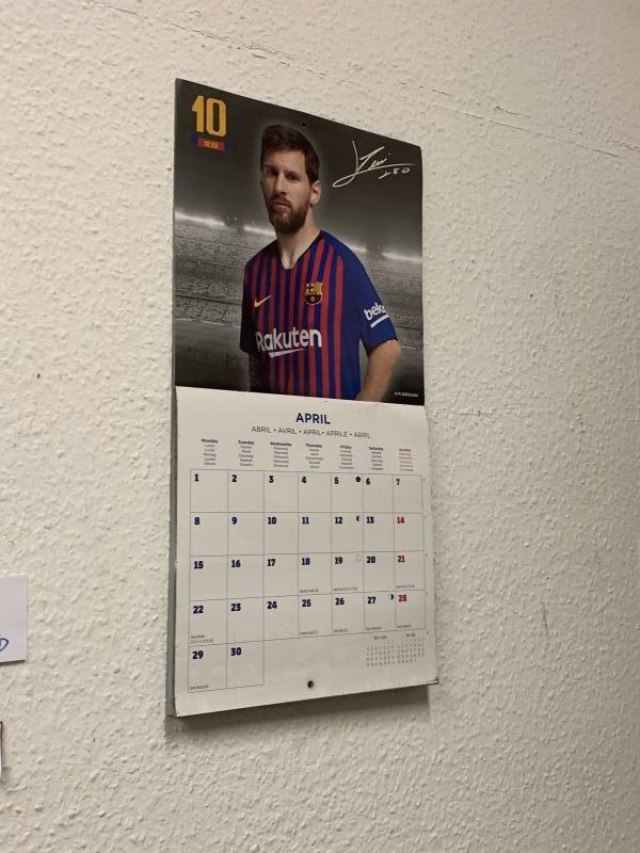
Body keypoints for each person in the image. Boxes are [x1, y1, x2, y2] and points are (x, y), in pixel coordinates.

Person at [240, 124, 401, 401]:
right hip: (275, 427)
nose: (279, 187)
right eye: (271, 173)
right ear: (261, 181)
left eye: (292, 177)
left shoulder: (341, 262)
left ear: (314, 192)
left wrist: (356, 418)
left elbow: (387, 348)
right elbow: (255, 359)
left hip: (330, 429)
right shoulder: (254, 271)